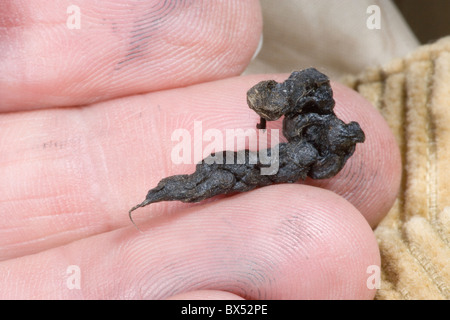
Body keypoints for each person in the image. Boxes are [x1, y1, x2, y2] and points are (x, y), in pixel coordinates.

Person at [0, 1, 401, 299]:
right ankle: (164, 195)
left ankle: (170, 193)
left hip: (283, 162)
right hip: (266, 161)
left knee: (226, 171)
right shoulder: (297, 114)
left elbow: (314, 156)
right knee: (215, 170)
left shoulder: (314, 136)